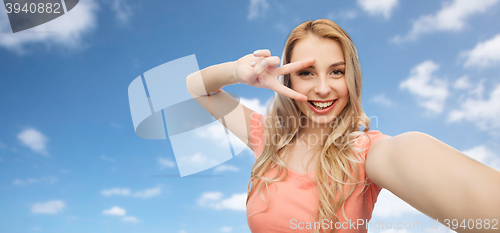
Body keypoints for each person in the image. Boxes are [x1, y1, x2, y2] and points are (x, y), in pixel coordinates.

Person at [185, 19, 500, 233]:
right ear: (288, 78)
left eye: (336, 72)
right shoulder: (268, 139)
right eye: (307, 73)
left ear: (352, 79)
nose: (323, 88)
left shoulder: (367, 153)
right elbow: (195, 87)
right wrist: (238, 72)